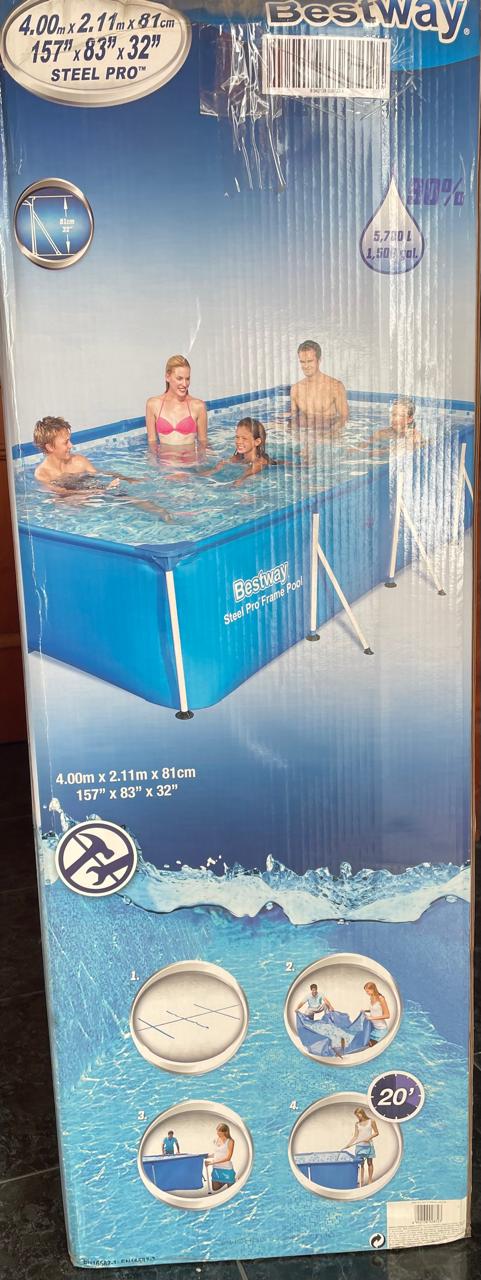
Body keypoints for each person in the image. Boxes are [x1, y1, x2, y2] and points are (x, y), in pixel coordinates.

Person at [33, 416, 173, 521]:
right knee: (64, 503)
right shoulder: (42, 474)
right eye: (66, 442)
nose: (71, 445)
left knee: (126, 497)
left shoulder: (79, 461)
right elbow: (62, 493)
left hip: (93, 490)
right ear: (50, 447)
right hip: (75, 499)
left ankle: (162, 513)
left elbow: (101, 474)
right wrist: (100, 491)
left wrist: (127, 478)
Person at [146, 354, 208, 460]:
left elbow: (203, 443)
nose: (184, 384)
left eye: (187, 379)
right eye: (179, 378)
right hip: (166, 465)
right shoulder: (153, 404)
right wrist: (152, 466)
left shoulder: (198, 406)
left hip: (190, 465)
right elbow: (152, 443)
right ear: (167, 377)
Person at [202, 417, 279, 486]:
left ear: (257, 442)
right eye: (237, 437)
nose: (239, 441)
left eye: (244, 438)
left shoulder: (258, 463)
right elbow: (214, 470)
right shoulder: (238, 458)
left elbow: (241, 480)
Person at [290, 340, 348, 430]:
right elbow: (293, 418)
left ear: (319, 360)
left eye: (310, 361)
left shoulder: (335, 386)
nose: (306, 366)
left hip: (328, 433)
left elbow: (344, 418)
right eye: (302, 362)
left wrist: (331, 433)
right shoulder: (295, 389)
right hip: (305, 433)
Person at [345, 1107, 379, 1187]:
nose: (357, 1117)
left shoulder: (371, 1121)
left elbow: (376, 1132)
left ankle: (370, 1180)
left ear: (362, 1113)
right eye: (356, 1116)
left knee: (370, 1163)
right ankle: (361, 1181)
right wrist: (349, 1144)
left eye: (358, 1115)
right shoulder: (357, 1124)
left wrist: (369, 1138)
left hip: (369, 1146)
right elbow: (355, 1136)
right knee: (361, 1164)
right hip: (359, 1146)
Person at [205, 1123, 236, 1193]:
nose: (217, 1133)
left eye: (220, 1131)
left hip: (226, 1168)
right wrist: (206, 1156)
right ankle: (225, 1181)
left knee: (231, 1190)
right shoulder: (215, 1140)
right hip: (216, 1168)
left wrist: (212, 1162)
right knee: (215, 1188)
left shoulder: (230, 1141)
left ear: (225, 1132)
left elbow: (228, 1158)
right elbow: (216, 1153)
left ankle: (230, 1180)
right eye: (217, 1131)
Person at [364, 982, 390, 1048]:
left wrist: (371, 1018)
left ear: (373, 989)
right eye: (366, 991)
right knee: (365, 1045)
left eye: (368, 991)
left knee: (371, 1047)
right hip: (374, 1029)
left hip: (381, 1029)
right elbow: (375, 1010)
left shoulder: (381, 998)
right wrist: (365, 1011)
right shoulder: (371, 998)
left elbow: (387, 1015)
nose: (367, 993)